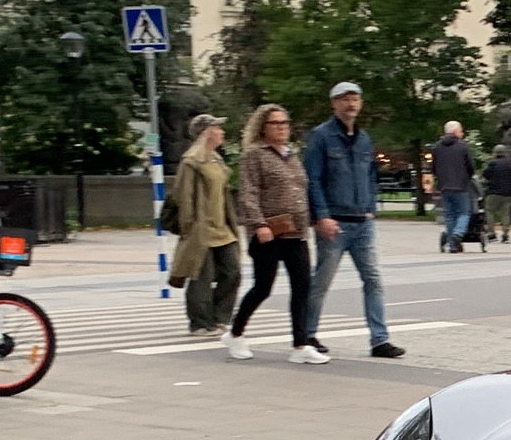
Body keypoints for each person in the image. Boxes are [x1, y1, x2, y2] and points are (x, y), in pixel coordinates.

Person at [305, 82, 402, 359]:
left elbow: (371, 173)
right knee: (322, 281)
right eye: (344, 99)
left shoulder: (363, 138)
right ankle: (308, 334)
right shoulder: (321, 136)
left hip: (362, 222)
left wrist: (370, 205)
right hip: (334, 222)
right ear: (333, 104)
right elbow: (313, 179)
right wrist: (321, 216)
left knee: (373, 279)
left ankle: (379, 339)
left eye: (355, 99)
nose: (351, 104)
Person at [227, 104, 329, 363]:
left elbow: (301, 190)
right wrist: (258, 224)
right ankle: (235, 333)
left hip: (296, 232)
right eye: (276, 123)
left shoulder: (290, 155)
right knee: (263, 287)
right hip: (269, 232)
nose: (282, 127)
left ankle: (300, 345)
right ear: (263, 126)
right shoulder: (255, 154)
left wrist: (315, 218)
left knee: (302, 287)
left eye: (285, 122)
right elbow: (249, 192)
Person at [168, 113, 241, 336]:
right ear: (206, 133)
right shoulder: (191, 162)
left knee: (233, 271)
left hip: (222, 228)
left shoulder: (216, 159)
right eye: (218, 128)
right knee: (201, 276)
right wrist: (188, 226)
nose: (222, 132)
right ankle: (199, 322)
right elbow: (183, 195)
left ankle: (220, 318)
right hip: (200, 229)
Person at [429, 119, 478, 253]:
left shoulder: (437, 147)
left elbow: (433, 168)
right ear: (456, 131)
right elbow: (471, 166)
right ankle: (458, 234)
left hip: (444, 186)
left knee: (449, 215)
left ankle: (453, 244)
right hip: (461, 186)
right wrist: (469, 176)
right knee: (464, 212)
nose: (462, 133)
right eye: (461, 130)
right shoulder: (462, 146)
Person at [481, 147, 511, 252]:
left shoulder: (492, 164)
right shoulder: (510, 164)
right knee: (505, 214)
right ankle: (505, 235)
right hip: (507, 193)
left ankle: (491, 233)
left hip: (494, 192)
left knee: (489, 211)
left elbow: (485, 175)